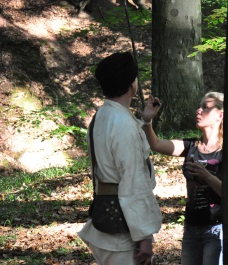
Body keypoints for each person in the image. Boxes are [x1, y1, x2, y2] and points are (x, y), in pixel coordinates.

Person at [78, 52, 162, 265]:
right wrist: (144, 236)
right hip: (121, 231)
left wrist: (145, 121)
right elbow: (133, 182)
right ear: (132, 84)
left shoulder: (102, 116)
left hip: (111, 221)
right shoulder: (122, 124)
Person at [142, 92, 224, 265]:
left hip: (217, 228)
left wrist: (206, 176)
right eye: (199, 106)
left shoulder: (227, 151)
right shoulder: (191, 147)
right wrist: (148, 120)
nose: (198, 110)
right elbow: (155, 143)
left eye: (205, 107)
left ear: (220, 115)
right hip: (192, 228)